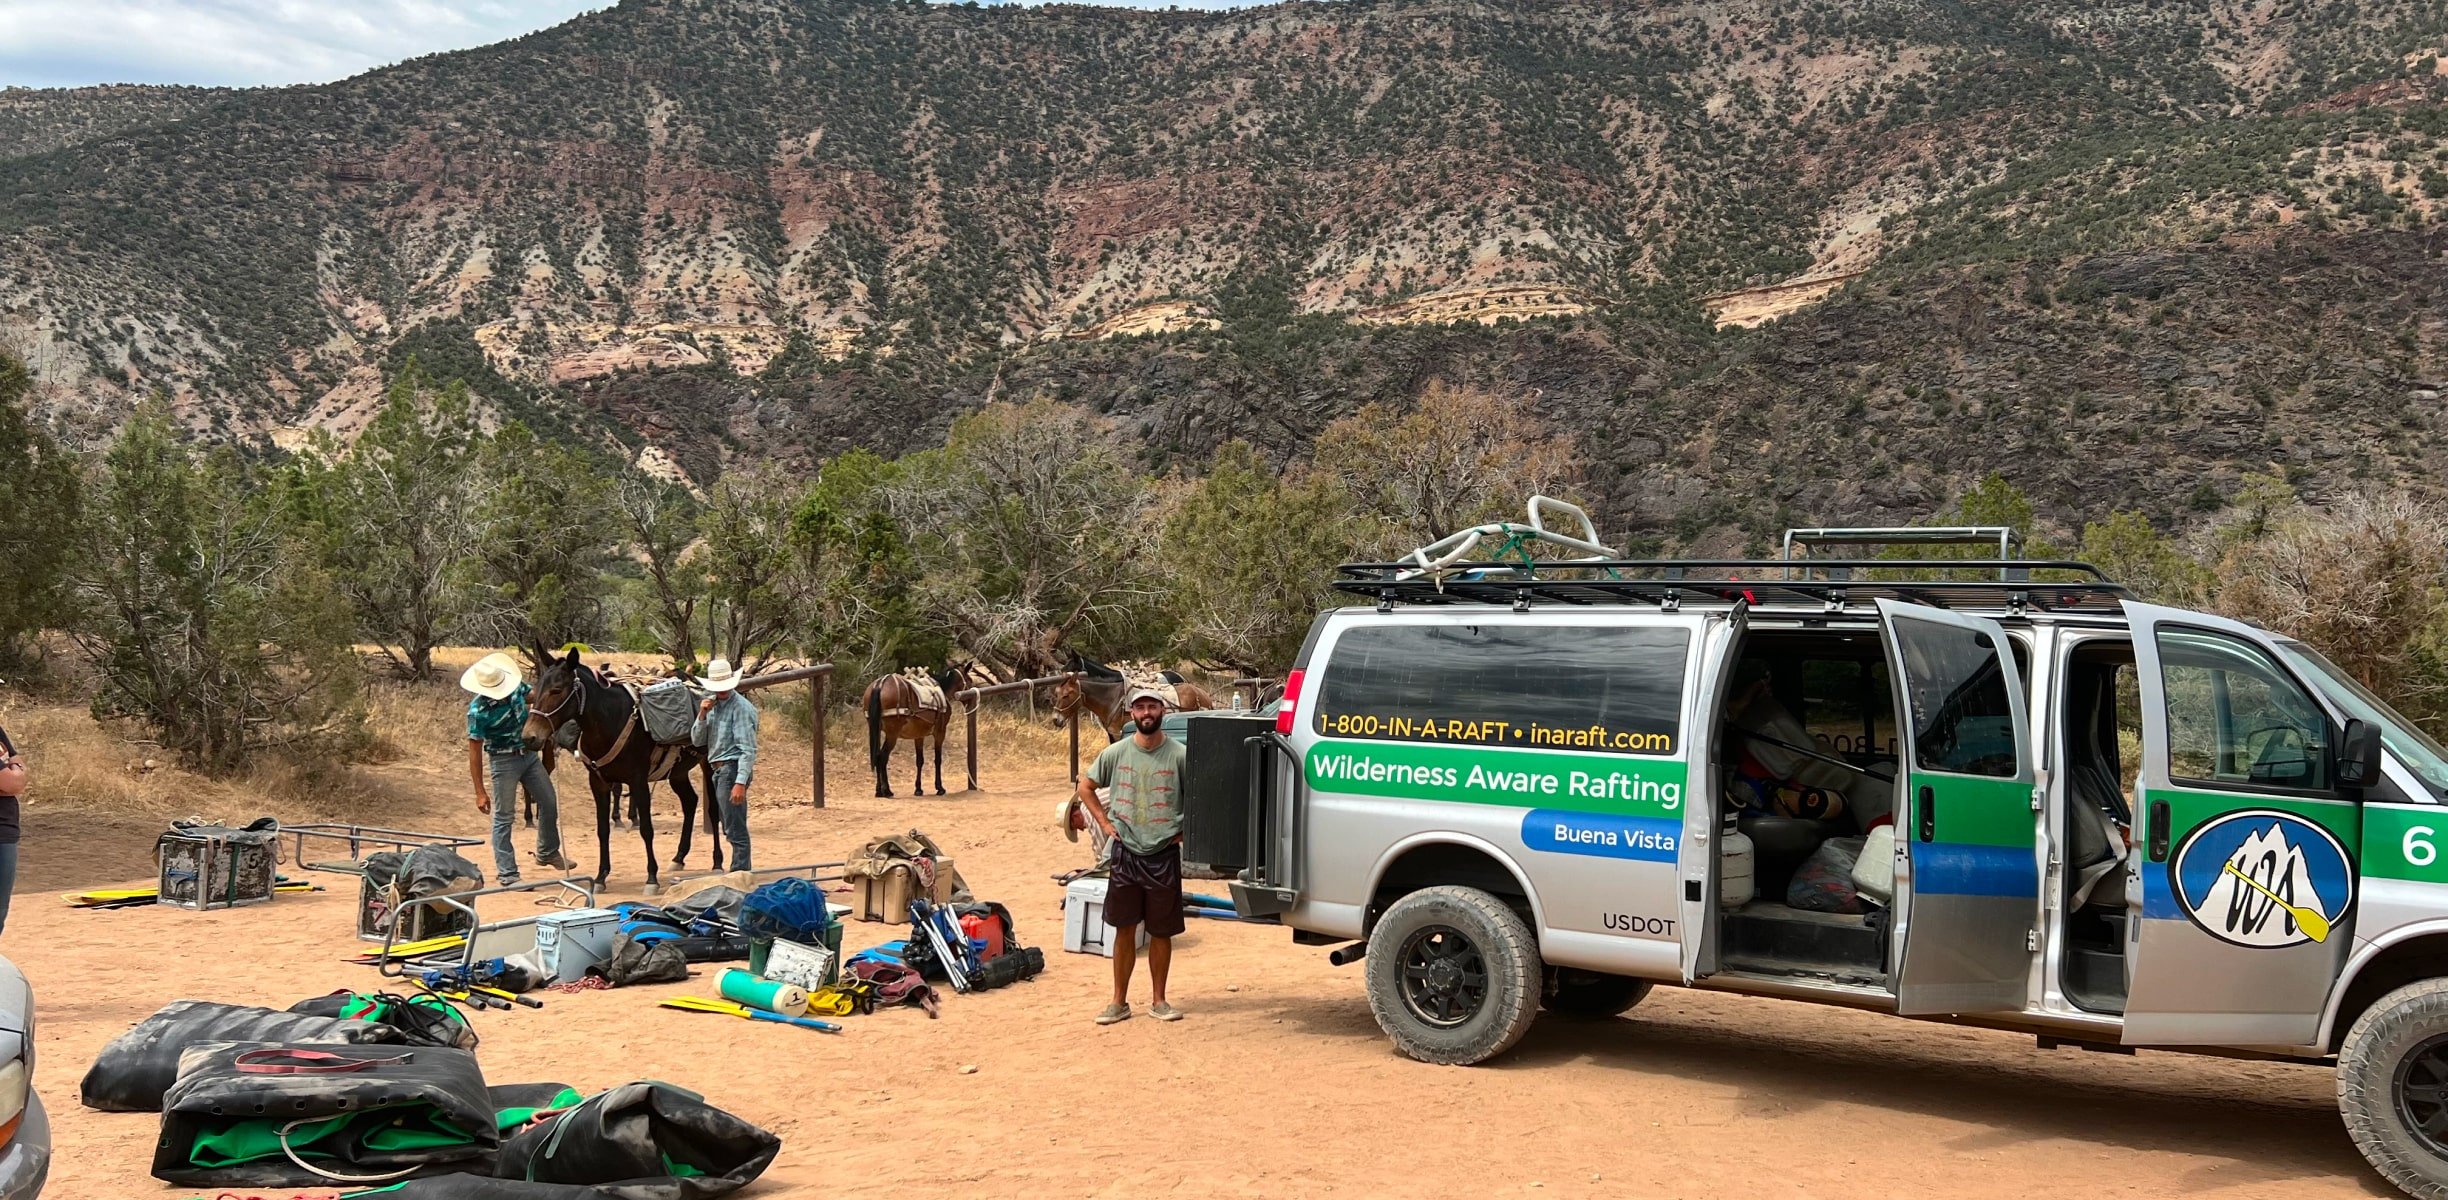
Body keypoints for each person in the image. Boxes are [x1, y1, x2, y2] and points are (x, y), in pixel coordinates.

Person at [1078, 687, 1186, 1025]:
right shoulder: (1116, 752)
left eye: (1152, 706)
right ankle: (1118, 1002)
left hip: (1163, 853)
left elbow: (1201, 795)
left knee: (1161, 931)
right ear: (1131, 713)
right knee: (1124, 929)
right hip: (1125, 854)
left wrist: (1186, 831)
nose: (1146, 713)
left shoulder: (1180, 755)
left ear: (1163, 711)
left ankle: (1159, 1000)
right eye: (1140, 707)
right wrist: (1104, 822)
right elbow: (1086, 786)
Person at [464, 652, 575, 886]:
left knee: (548, 801)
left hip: (529, 757)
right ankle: (508, 874)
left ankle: (547, 851)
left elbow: (537, 696)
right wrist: (479, 791)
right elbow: (474, 752)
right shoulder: (478, 711)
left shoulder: (516, 689)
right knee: (504, 817)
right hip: (503, 762)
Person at [692, 658, 759, 873]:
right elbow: (697, 739)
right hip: (720, 770)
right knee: (731, 825)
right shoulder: (713, 706)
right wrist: (701, 714)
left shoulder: (740, 708)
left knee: (734, 828)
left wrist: (740, 782)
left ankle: (739, 874)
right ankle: (739, 873)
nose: (721, 692)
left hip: (730, 768)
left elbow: (747, 749)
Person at [0, 733, 25, 939]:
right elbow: (11, 784)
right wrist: (12, 772)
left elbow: (19, 778)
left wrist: (14, 770)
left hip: (5, 830)